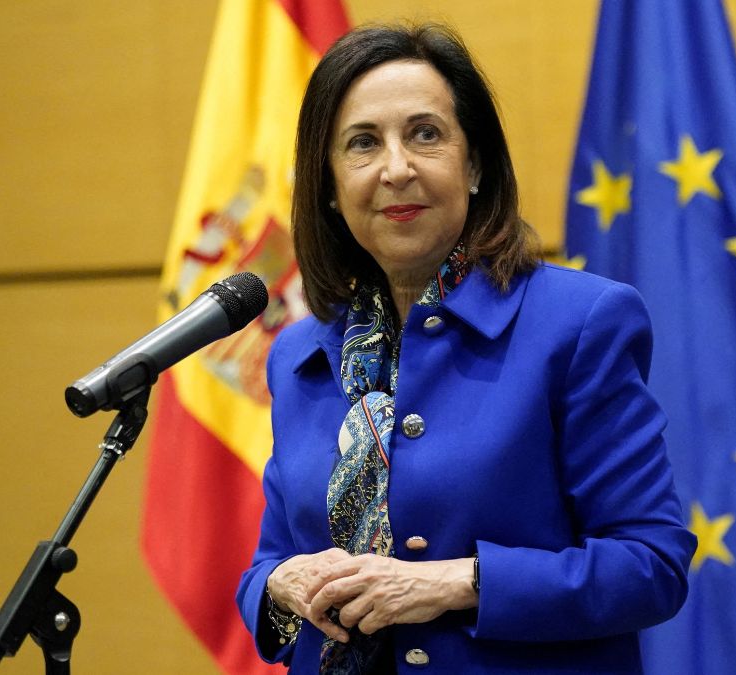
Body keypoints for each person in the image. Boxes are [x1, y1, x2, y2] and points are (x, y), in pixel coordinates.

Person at [236, 22, 696, 673]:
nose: (397, 168)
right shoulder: (299, 354)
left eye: (425, 134)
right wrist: (279, 589)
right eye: (363, 144)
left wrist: (455, 582)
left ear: (474, 163)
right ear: (331, 188)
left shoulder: (580, 323)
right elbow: (270, 560)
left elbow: (651, 564)